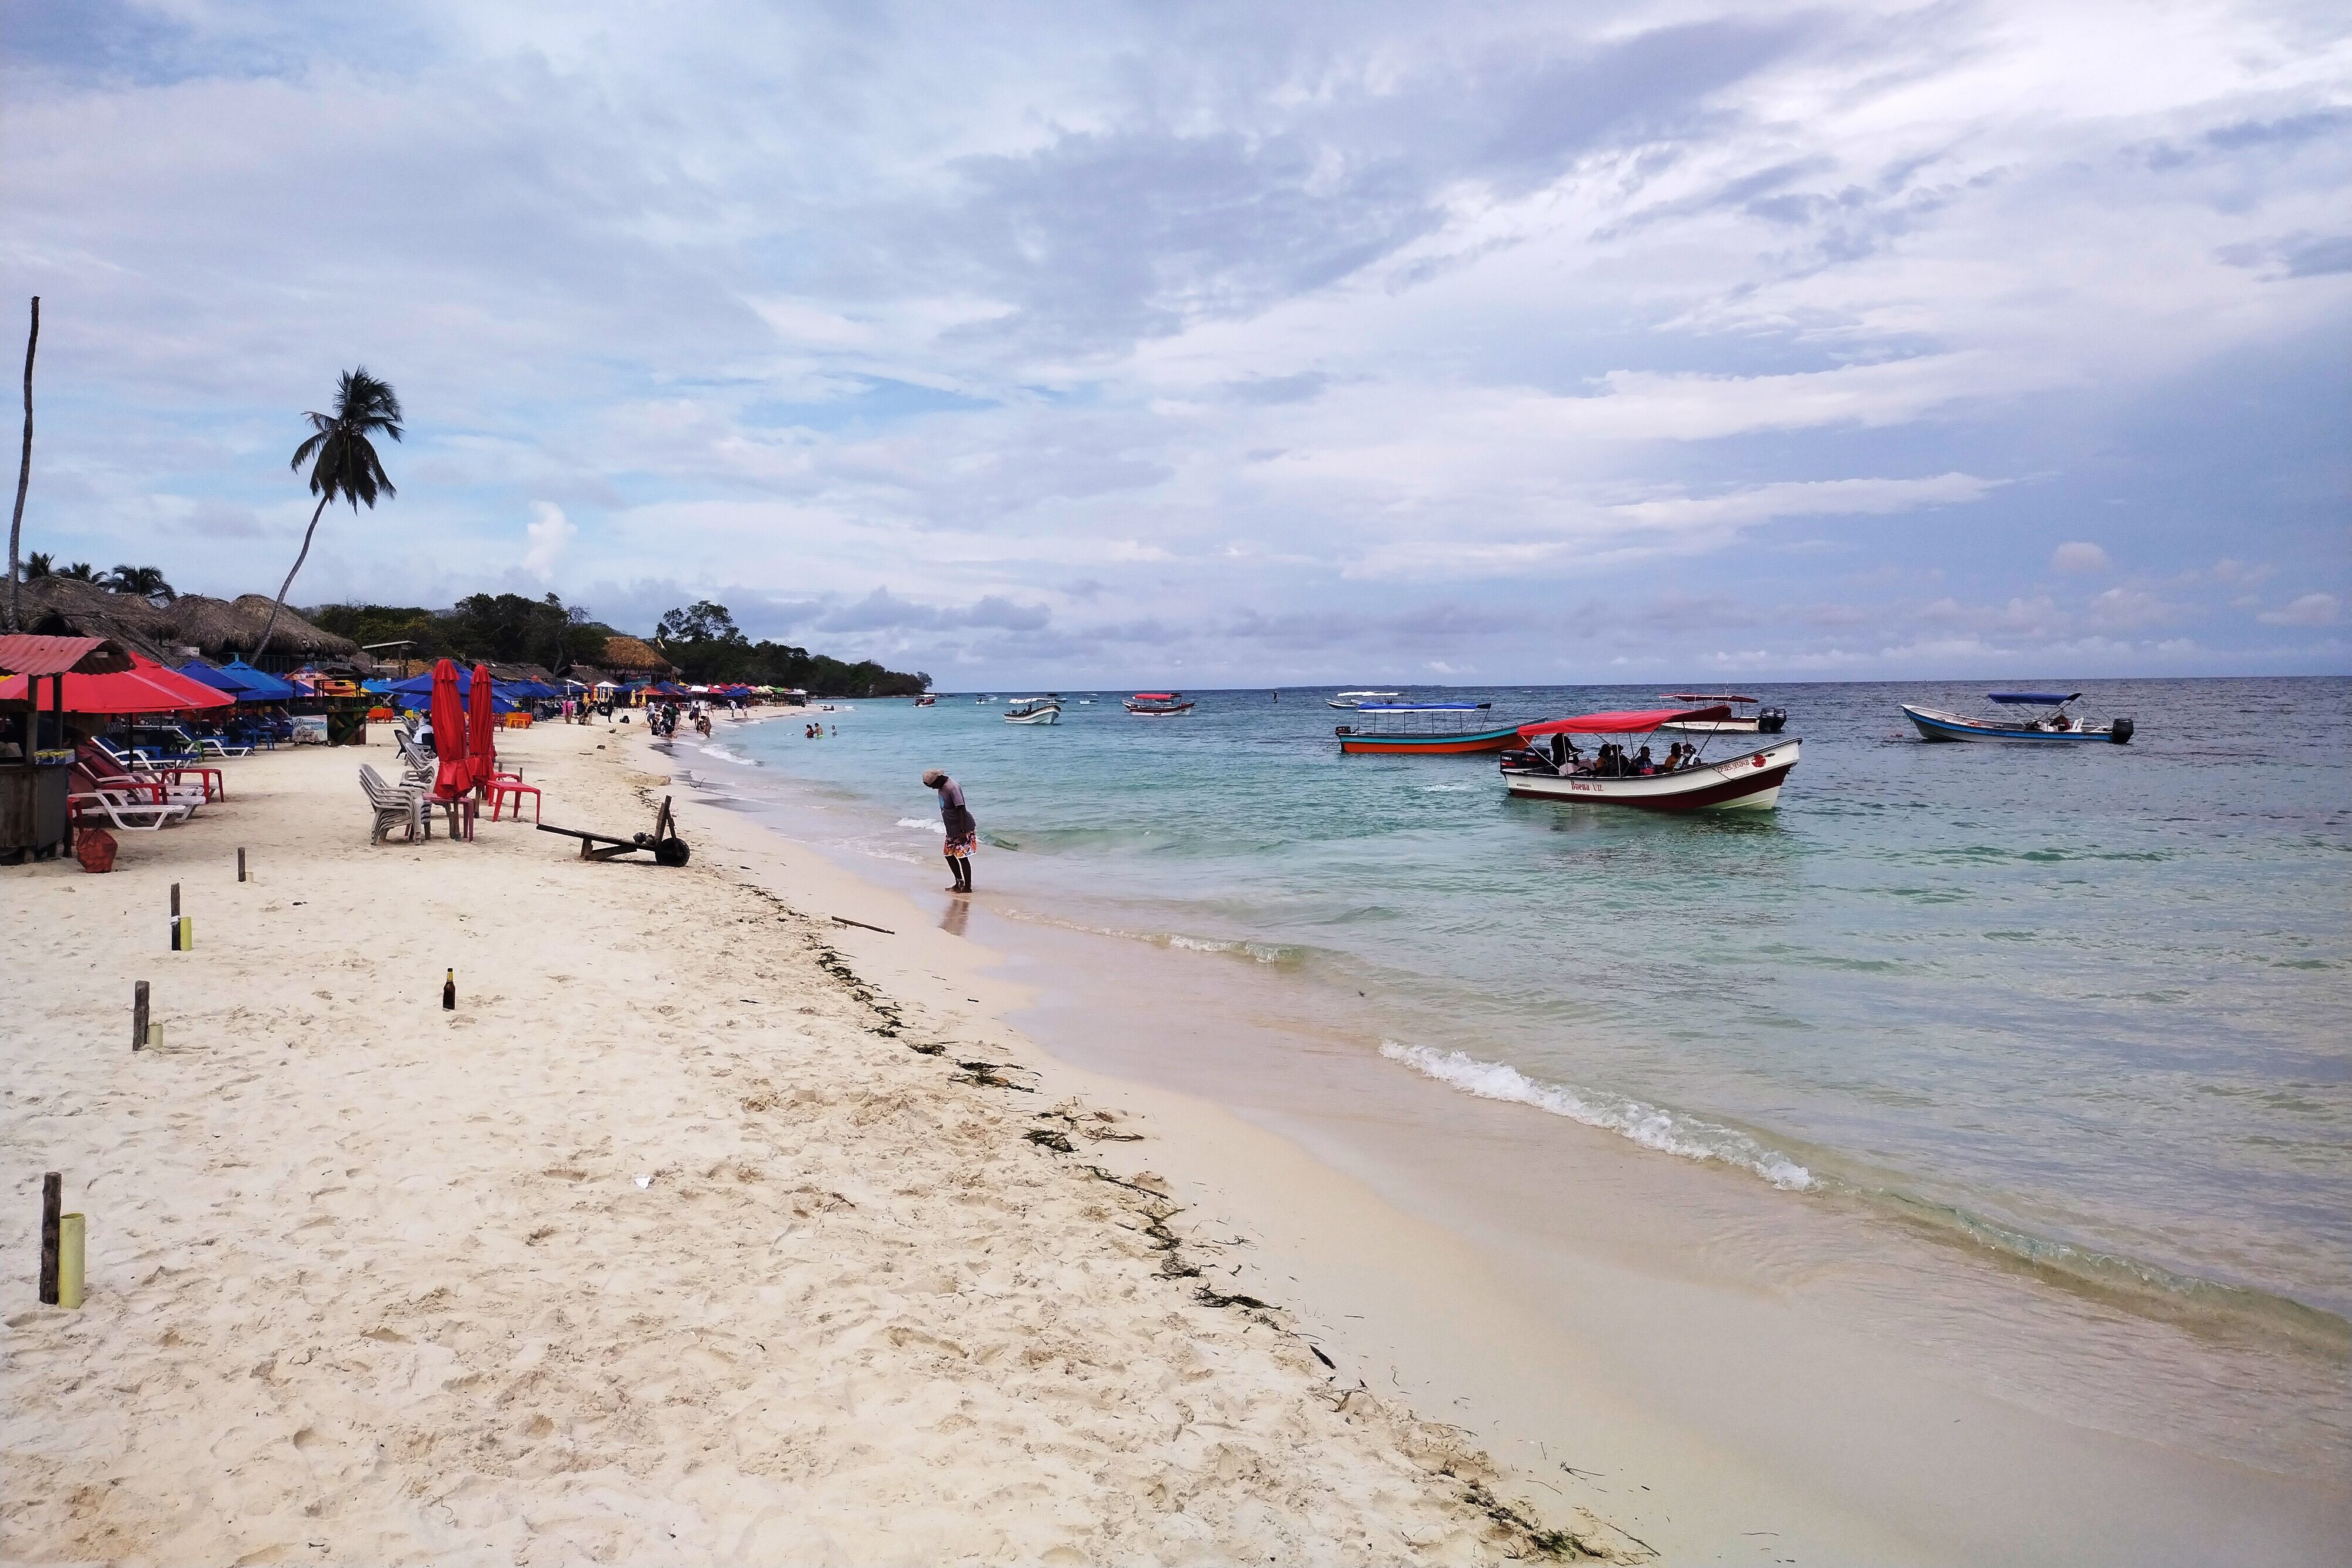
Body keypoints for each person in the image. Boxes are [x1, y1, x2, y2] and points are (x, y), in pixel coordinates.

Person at [925, 768, 977, 893]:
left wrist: (963, 831)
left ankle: (968, 887)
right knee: (948, 855)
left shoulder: (952, 788)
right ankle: (959, 883)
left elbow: (961, 808)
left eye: (932, 786)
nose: (932, 789)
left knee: (962, 857)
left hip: (963, 828)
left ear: (937, 779)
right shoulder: (941, 787)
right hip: (952, 829)